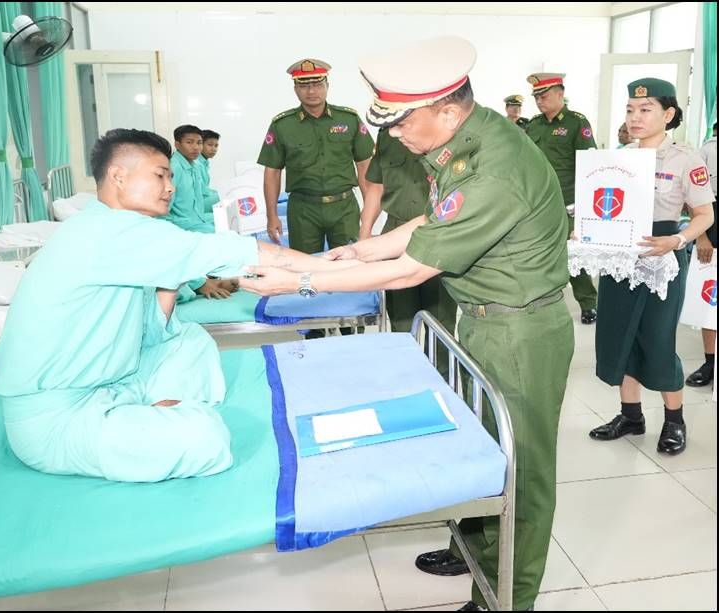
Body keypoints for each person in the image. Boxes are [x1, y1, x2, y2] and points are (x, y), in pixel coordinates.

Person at [241, 36, 575, 611]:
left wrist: (303, 281)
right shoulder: (466, 141)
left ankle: (509, 599)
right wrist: (357, 250)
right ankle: (479, 555)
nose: (392, 134)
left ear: (445, 109)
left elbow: (413, 270)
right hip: (483, 320)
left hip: (520, 333)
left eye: (400, 121)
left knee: (521, 471)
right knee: (483, 449)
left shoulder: (493, 168)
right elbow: (433, 219)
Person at [0, 128, 351, 483]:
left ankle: (143, 416)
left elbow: (151, 332)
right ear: (118, 176)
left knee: (190, 341)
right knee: (205, 437)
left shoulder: (113, 227)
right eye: (160, 175)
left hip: (114, 380)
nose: (170, 187)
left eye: (170, 177)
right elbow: (237, 252)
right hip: (59, 417)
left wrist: (175, 269)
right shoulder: (106, 233)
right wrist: (330, 268)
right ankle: (149, 421)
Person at [588, 79, 714, 455]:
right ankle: (631, 415)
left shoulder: (685, 159)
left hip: (663, 256)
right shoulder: (619, 157)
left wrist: (678, 240)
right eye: (630, 110)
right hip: (620, 256)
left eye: (645, 110)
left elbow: (705, 214)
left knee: (657, 339)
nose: (635, 117)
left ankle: (674, 421)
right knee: (619, 335)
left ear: (668, 114)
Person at [257, 58, 374, 253]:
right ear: (295, 89)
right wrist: (272, 215)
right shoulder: (282, 125)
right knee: (305, 264)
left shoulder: (349, 119)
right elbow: (272, 172)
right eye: (304, 86)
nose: (311, 91)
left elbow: (364, 166)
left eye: (318, 84)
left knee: (351, 261)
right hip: (303, 210)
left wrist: (369, 213)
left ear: (327, 85)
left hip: (344, 208)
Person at [359, 128, 457, 358]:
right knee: (401, 322)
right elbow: (376, 186)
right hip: (395, 233)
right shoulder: (387, 135)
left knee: (441, 324)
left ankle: (441, 378)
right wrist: (365, 232)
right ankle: (406, 374)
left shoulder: (448, 131)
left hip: (438, 234)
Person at [525, 73, 599, 324]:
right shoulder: (534, 125)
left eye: (544, 96)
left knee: (571, 256)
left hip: (567, 202)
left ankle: (588, 303)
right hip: (537, 203)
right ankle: (542, 303)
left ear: (560, 93)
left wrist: (584, 202)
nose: (539, 101)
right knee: (538, 254)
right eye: (536, 97)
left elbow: (590, 164)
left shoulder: (576, 123)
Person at [167, 124, 234, 299]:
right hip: (181, 222)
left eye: (198, 142)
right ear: (177, 144)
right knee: (218, 233)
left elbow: (199, 197)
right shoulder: (174, 168)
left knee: (226, 226)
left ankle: (211, 275)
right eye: (189, 142)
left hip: (195, 219)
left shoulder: (194, 166)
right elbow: (165, 210)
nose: (196, 147)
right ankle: (208, 279)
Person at [685, 121, 717, 387]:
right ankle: (710, 362)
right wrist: (701, 236)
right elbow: (693, 199)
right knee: (711, 297)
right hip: (712, 224)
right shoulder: (707, 150)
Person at [198, 129, 221, 208]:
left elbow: (204, 189)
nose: (214, 149)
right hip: (198, 203)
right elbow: (201, 191)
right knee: (228, 195)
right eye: (210, 145)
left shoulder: (204, 163)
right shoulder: (197, 163)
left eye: (216, 145)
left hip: (202, 199)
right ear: (200, 144)